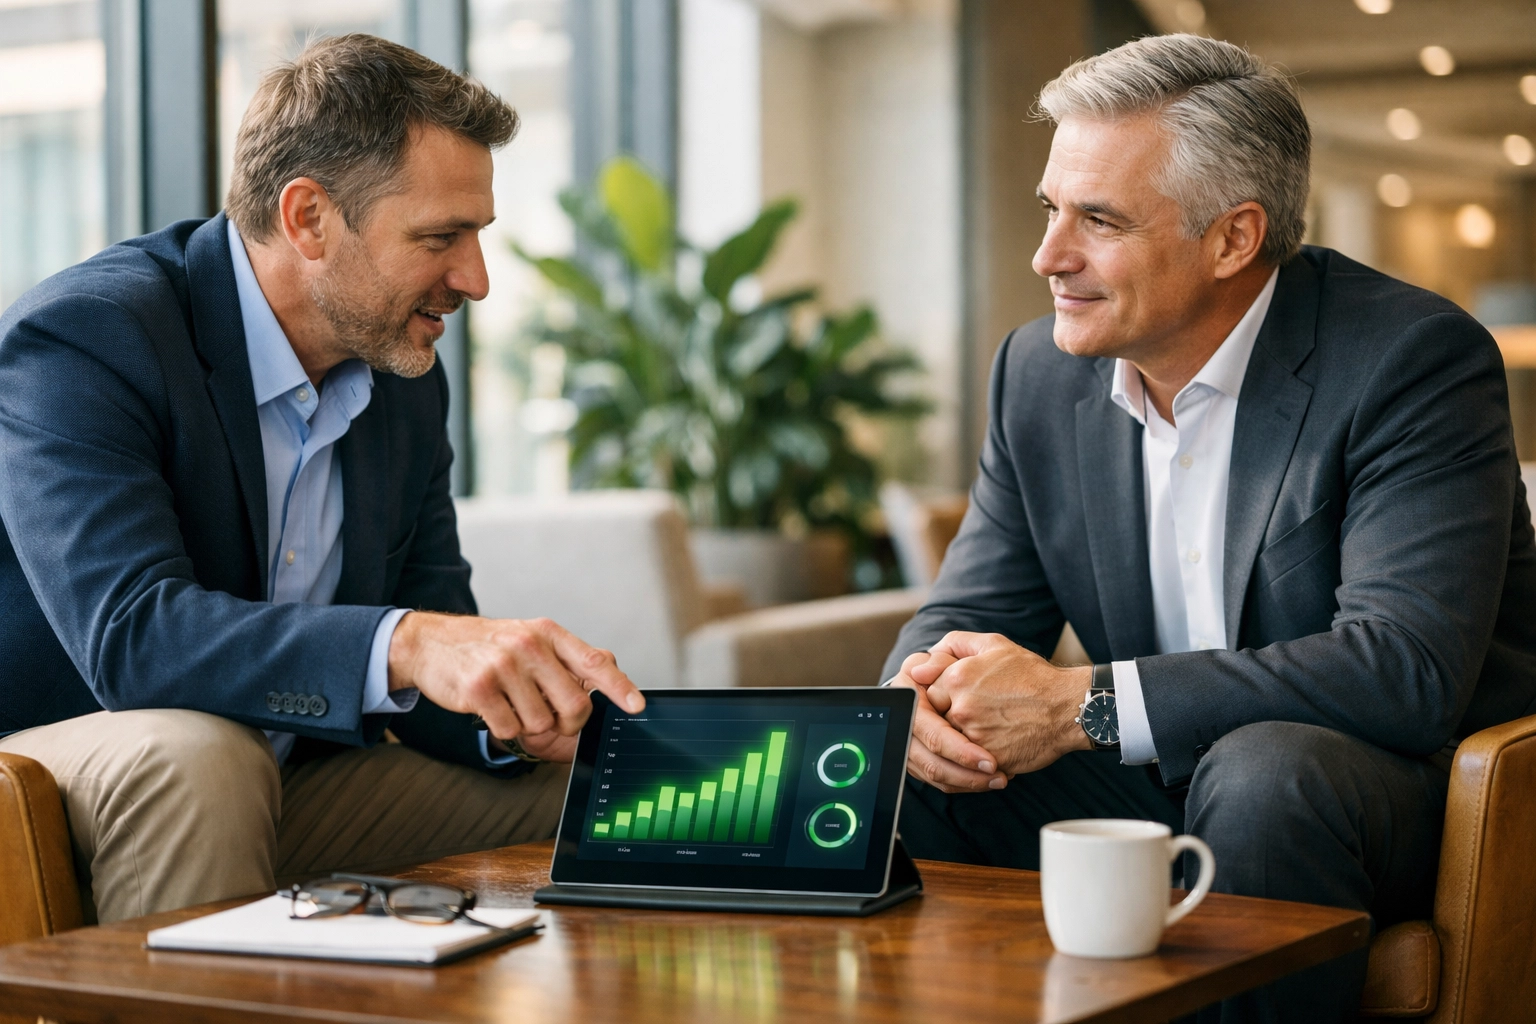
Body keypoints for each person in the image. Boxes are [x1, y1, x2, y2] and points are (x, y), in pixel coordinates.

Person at [883, 33, 1536, 1023]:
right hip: (1154, 785)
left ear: (1233, 238)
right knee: (904, 771)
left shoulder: (1412, 359)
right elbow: (964, 613)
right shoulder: (1036, 373)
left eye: (1097, 220)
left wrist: (1077, 704)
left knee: (1268, 770)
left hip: (1380, 797)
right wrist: (925, 699)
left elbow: (1403, 669)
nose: (1048, 255)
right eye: (1051, 209)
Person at [0, 34, 643, 924]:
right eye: (440, 238)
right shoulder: (90, 337)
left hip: (278, 781)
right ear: (308, 218)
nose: (477, 279)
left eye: (478, 236)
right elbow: (131, 639)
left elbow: (426, 636)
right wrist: (411, 644)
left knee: (597, 786)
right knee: (200, 757)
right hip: (46, 773)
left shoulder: (404, 377)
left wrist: (522, 714)